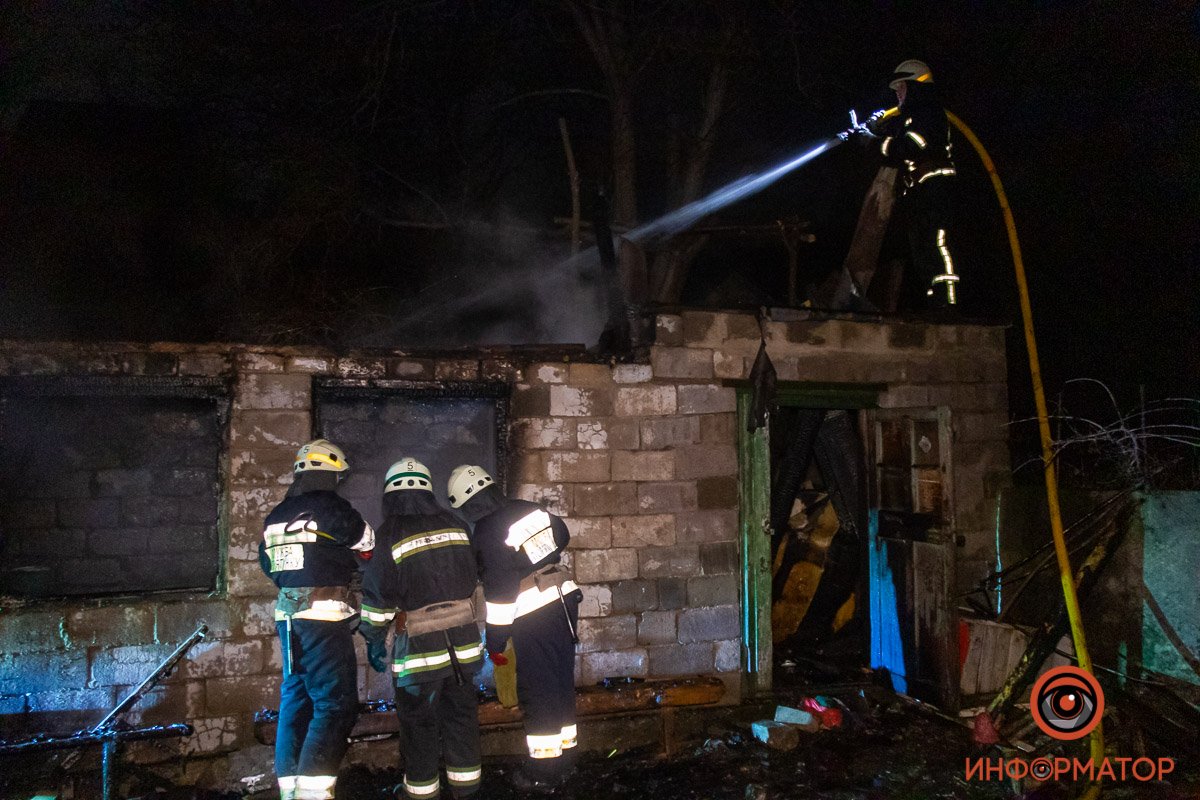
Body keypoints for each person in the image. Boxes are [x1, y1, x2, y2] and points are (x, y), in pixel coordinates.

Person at [447, 465, 581, 794]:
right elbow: (561, 535)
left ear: (467, 503)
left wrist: (495, 641)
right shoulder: (526, 508)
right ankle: (565, 762)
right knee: (560, 684)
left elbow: (500, 596)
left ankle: (543, 773)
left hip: (534, 614)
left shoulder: (487, 532)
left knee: (538, 692)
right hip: (564, 602)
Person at [360, 458, 485, 800]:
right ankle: (467, 789)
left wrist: (372, 640)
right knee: (461, 719)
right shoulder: (457, 525)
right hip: (464, 649)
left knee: (419, 725)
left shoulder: (388, 535)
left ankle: (420, 793)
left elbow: (376, 599)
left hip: (420, 654)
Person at [259, 439, 375, 800]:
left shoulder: (276, 514)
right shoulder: (332, 507)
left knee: (296, 700)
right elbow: (367, 545)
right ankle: (314, 792)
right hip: (323, 619)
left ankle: (291, 791)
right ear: (332, 474)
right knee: (334, 704)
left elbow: (269, 565)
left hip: (288, 619)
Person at [868, 59, 962, 307]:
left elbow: (910, 146)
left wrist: (881, 140)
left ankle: (947, 301)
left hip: (936, 184)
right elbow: (899, 144)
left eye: (902, 88)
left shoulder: (928, 113)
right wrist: (879, 133)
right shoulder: (912, 117)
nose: (898, 94)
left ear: (915, 86)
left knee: (936, 240)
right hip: (920, 188)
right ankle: (934, 300)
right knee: (920, 246)